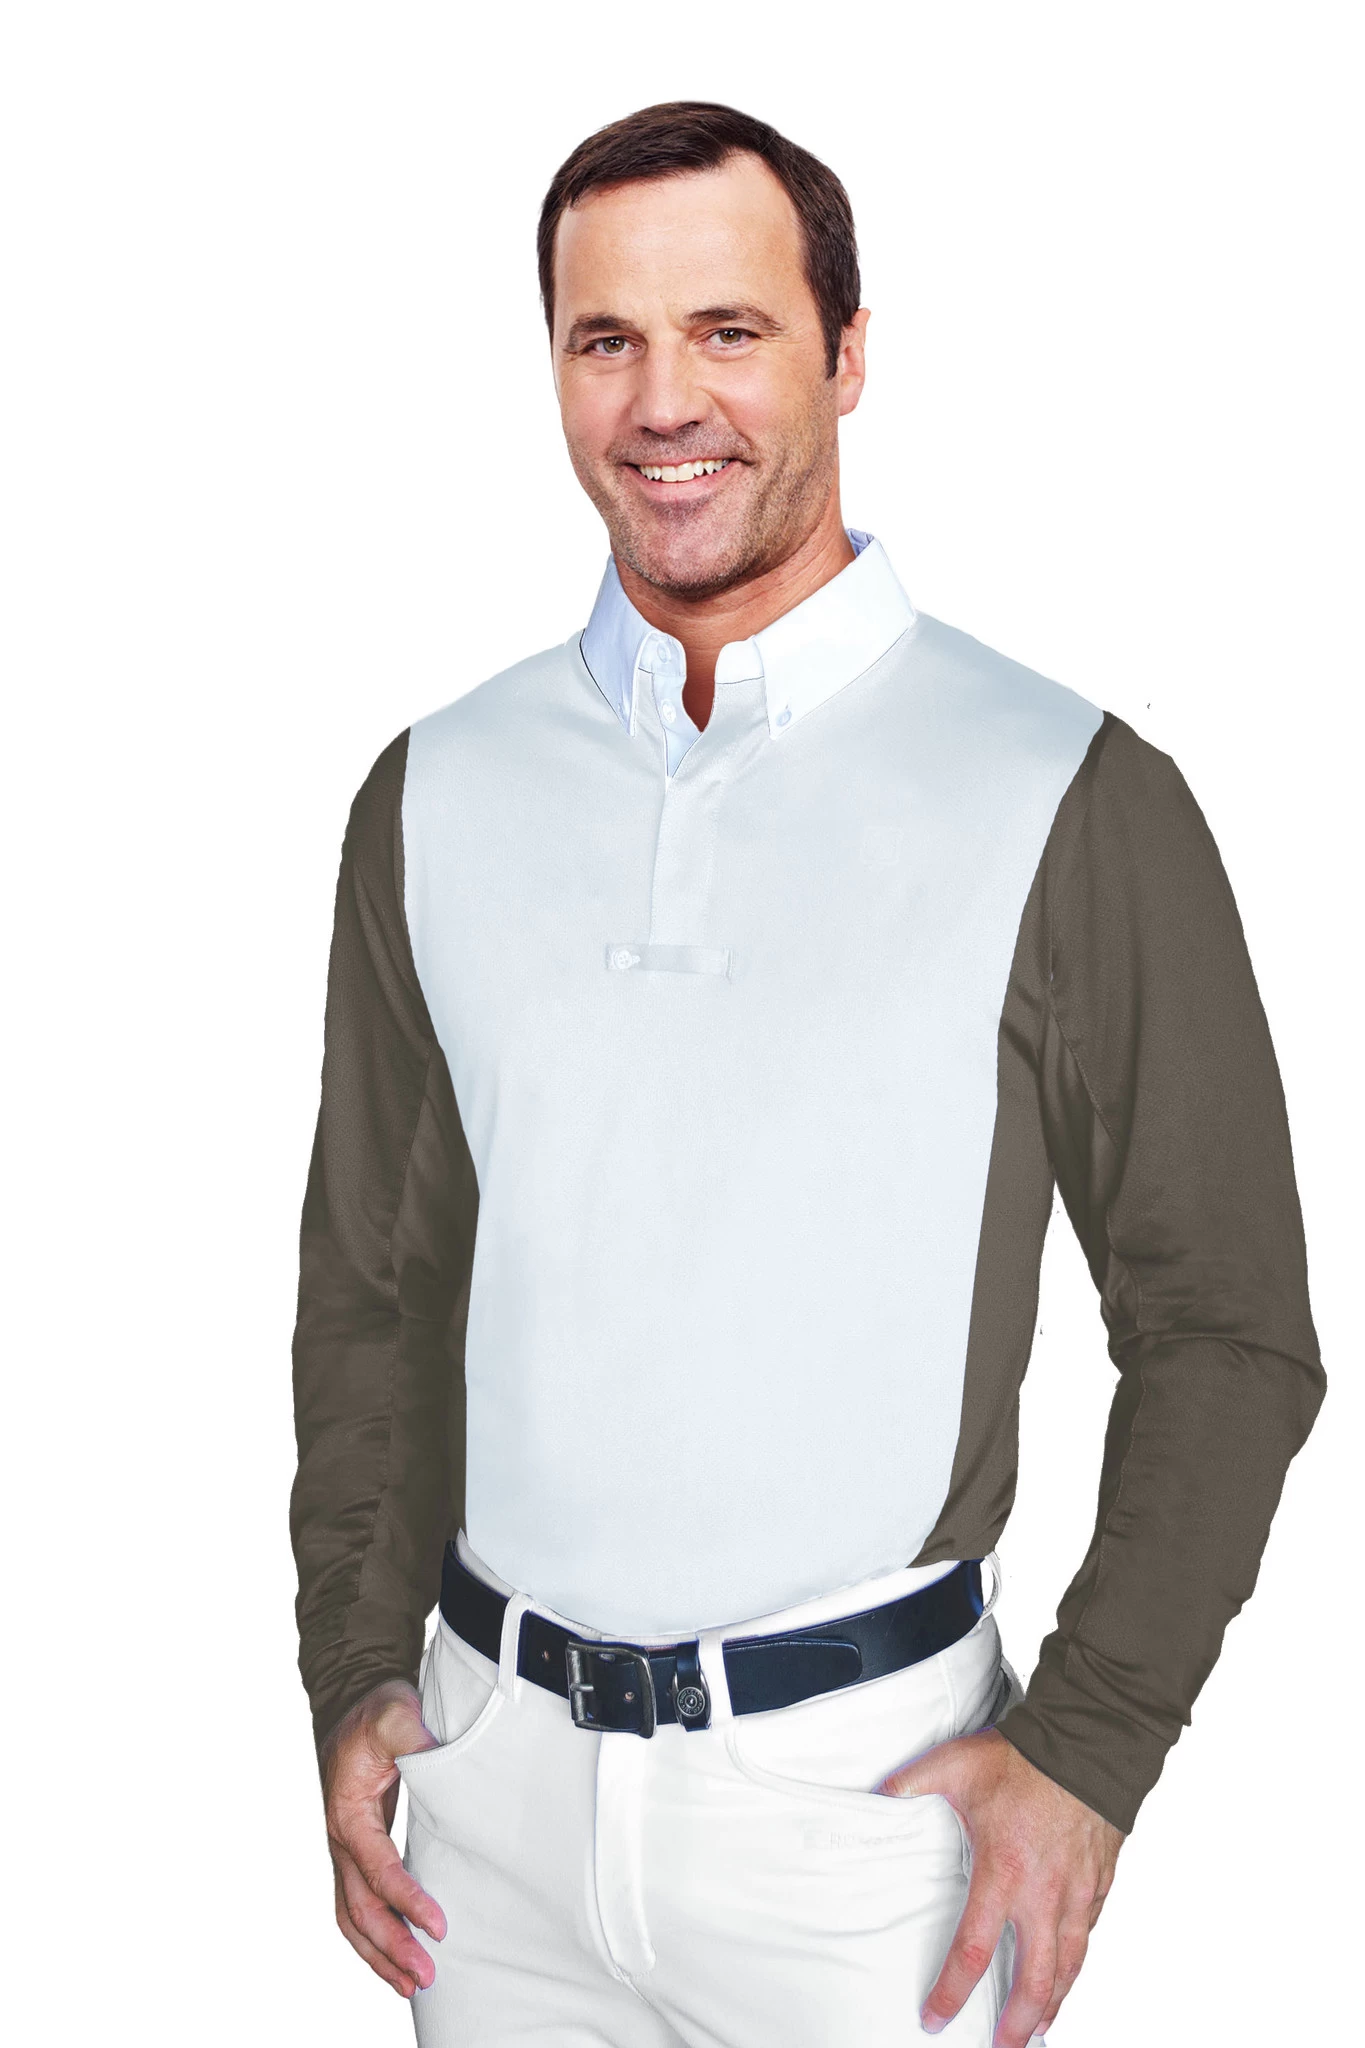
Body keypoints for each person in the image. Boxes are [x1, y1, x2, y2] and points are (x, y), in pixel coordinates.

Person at [289, 101, 1325, 2048]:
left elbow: (1229, 1327)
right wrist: (354, 1667)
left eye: (730, 331)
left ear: (847, 352)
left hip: (867, 1831)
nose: (663, 401)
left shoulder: (1070, 795)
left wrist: (1089, 1751)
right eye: (607, 340)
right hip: (486, 1815)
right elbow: (375, 1286)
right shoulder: (432, 792)